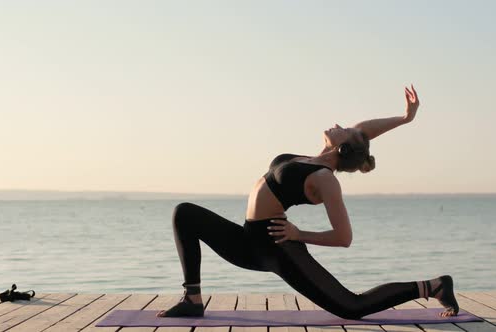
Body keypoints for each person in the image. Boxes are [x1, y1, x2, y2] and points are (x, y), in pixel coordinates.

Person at [157, 85, 459, 319]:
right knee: (184, 213)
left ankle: (433, 286)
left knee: (351, 306)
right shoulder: (314, 158)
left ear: (342, 147)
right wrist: (406, 118)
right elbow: (364, 133)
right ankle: (192, 298)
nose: (341, 123)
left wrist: (299, 235)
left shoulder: (325, 179)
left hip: (276, 247)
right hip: (248, 237)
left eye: (347, 129)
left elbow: (344, 238)